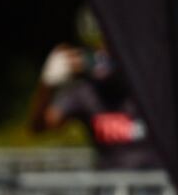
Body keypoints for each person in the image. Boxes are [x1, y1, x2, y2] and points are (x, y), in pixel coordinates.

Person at [27, 9, 160, 171]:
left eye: (108, 44)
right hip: (111, 181)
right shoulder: (84, 93)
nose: (101, 53)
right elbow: (39, 126)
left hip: (156, 179)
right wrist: (47, 83)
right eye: (95, 46)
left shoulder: (149, 82)